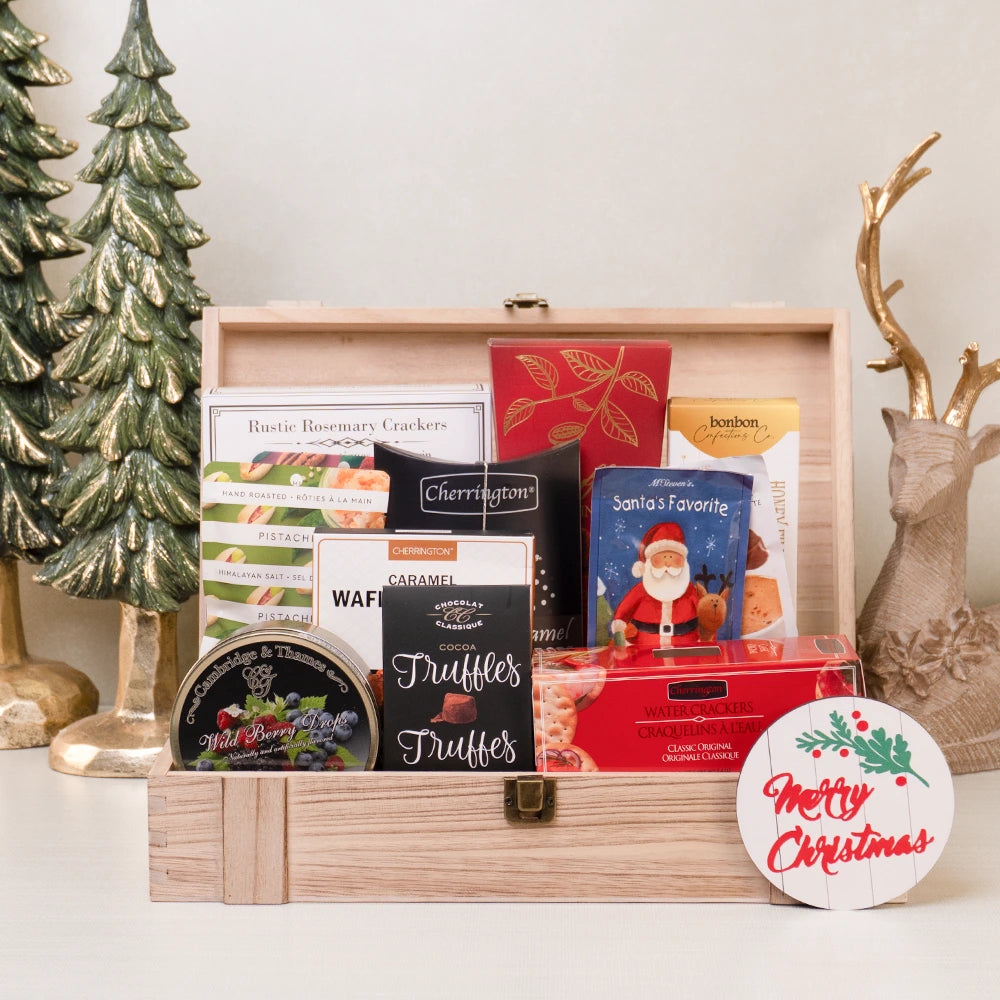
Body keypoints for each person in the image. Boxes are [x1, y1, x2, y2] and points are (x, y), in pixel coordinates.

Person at [610, 522, 700, 648]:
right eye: (662, 558)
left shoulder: (690, 591)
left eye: (673, 558)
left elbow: (703, 613)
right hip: (644, 651)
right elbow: (623, 612)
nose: (667, 564)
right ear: (649, 563)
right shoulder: (641, 591)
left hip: (684, 649)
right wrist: (620, 628)